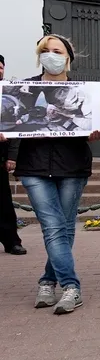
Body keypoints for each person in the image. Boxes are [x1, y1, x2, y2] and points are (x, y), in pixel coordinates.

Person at [0, 34, 100, 314]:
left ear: (68, 56)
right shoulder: (24, 89)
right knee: (54, 226)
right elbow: (16, 126)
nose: (50, 55)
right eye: (45, 50)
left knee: (64, 227)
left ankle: (47, 280)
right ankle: (71, 287)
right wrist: (7, 135)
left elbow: (89, 127)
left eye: (56, 50)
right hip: (33, 166)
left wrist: (93, 133)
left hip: (72, 166)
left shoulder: (83, 91)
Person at [0, 54, 27, 256]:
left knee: (3, 203)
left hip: (1, 157)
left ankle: (11, 242)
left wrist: (12, 157)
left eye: (1, 67)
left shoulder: (11, 96)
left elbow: (17, 129)